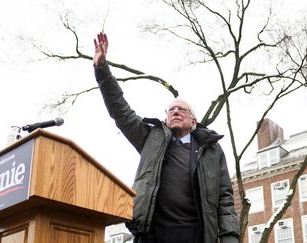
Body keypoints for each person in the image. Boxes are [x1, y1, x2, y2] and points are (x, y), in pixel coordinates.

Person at [93, 32, 239, 243]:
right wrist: (102, 70)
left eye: (182, 110)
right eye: (171, 110)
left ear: (194, 121)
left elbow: (225, 198)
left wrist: (230, 239)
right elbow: (120, 111)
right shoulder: (151, 138)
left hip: (195, 235)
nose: (175, 112)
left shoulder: (211, 150)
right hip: (152, 234)